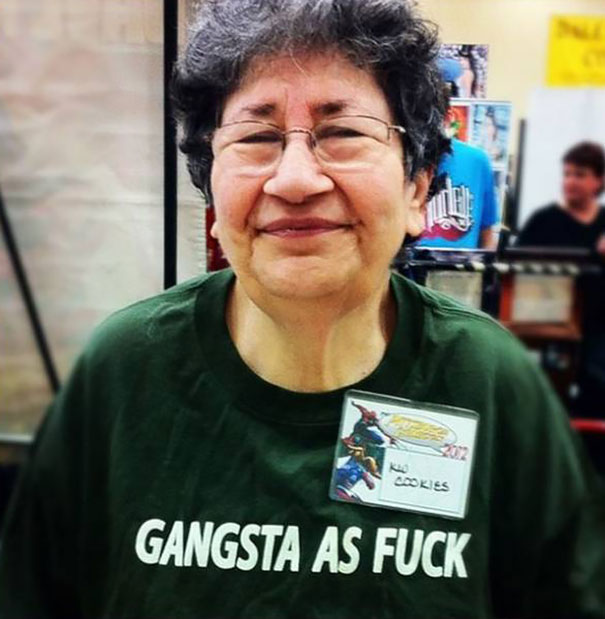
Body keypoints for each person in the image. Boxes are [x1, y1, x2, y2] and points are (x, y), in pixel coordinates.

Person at [1, 1, 604, 617]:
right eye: (256, 137)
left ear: (417, 189)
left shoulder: (490, 382)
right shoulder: (125, 373)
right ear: (211, 190)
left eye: (342, 133)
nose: (294, 179)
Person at [517, 141, 605, 252]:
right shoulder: (541, 220)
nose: (570, 182)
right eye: (566, 174)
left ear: (599, 180)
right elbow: (515, 260)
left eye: (580, 175)